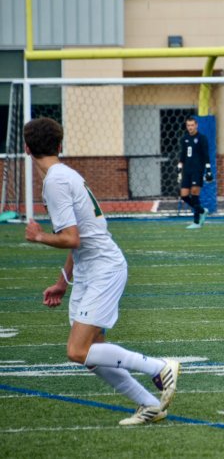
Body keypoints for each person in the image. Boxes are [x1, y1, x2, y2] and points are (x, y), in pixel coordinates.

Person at [23, 117, 180, 425]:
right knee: (94, 351)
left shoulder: (55, 181)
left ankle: (159, 367)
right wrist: (62, 282)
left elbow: (71, 238)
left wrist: (39, 236)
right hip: (89, 271)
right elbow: (78, 240)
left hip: (103, 270)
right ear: (60, 145)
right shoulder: (63, 175)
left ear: (26, 149)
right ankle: (149, 405)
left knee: (77, 350)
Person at [178, 116, 213, 229]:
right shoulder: (184, 139)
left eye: (192, 125)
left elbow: (206, 155)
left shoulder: (202, 138)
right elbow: (182, 156)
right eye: (188, 125)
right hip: (186, 170)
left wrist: (208, 170)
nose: (190, 127)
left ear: (196, 125)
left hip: (197, 170)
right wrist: (179, 170)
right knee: (184, 195)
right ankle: (202, 210)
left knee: (194, 194)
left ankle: (196, 222)